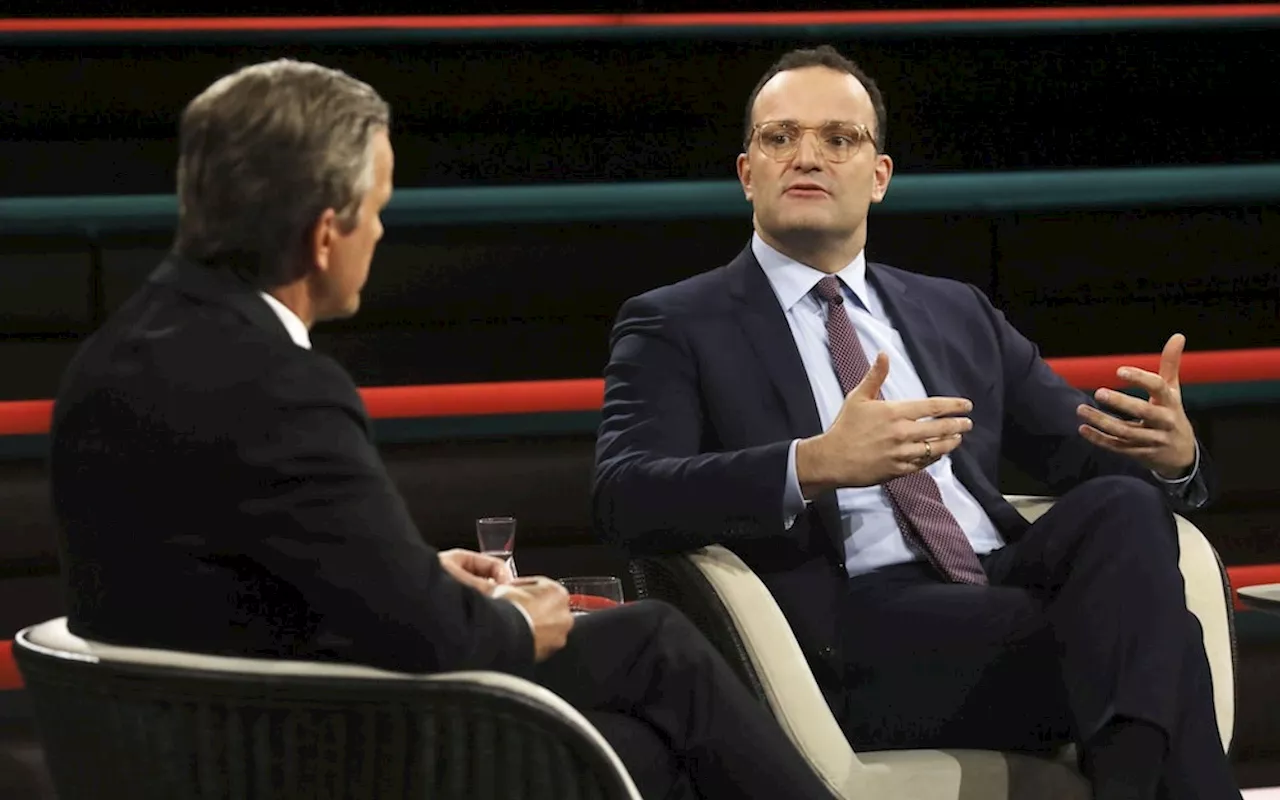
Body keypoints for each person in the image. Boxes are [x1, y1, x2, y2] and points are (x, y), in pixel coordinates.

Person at [49, 59, 839, 800]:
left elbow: (228, 561)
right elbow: (432, 639)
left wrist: (410, 569)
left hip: (180, 733)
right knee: (654, 669)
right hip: (298, 743)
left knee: (646, 712)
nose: (382, 235)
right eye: (379, 213)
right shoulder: (280, 387)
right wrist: (518, 617)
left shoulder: (109, 357)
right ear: (325, 236)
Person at [593, 45, 1240, 800]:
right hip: (859, 632)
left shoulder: (954, 310)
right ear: (748, 174)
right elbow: (624, 495)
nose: (807, 156)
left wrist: (1171, 457)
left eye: (839, 138)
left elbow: (1086, 451)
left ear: (879, 177)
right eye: (780, 137)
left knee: (1127, 507)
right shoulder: (675, 322)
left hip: (995, 583)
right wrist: (813, 464)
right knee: (1155, 634)